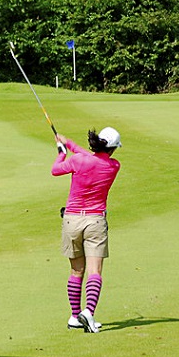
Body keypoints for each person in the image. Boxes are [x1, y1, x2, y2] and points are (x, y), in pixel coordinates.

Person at [51, 127, 122, 333]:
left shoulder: (78, 160)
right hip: (95, 222)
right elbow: (93, 158)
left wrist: (62, 151)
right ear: (112, 149)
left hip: (71, 220)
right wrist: (69, 143)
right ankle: (89, 312)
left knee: (76, 270)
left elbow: (56, 170)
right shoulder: (114, 165)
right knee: (94, 271)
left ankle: (75, 316)